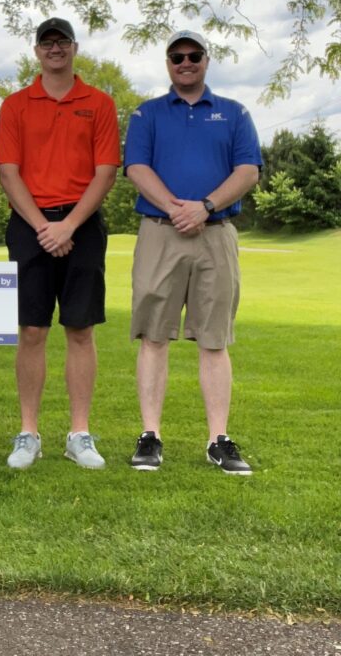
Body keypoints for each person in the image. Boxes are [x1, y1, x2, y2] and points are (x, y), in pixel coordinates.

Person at [124, 30, 261, 475]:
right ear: (168, 62)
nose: (185, 62)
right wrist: (175, 208)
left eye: (193, 55)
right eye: (177, 56)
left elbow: (248, 170)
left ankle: (219, 439)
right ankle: (150, 437)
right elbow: (136, 167)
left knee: (214, 338)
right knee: (153, 336)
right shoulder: (147, 113)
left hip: (215, 232)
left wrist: (204, 208)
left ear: (206, 60)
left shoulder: (234, 113)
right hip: (160, 232)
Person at [0, 18, 120, 470]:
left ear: (74, 48)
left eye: (61, 42)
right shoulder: (15, 105)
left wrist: (68, 225)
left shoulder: (99, 103)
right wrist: (45, 227)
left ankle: (79, 434)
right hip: (30, 225)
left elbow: (105, 171)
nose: (55, 50)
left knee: (80, 330)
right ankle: (28, 433)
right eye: (47, 43)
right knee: (31, 330)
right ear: (37, 51)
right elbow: (8, 172)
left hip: (81, 224)